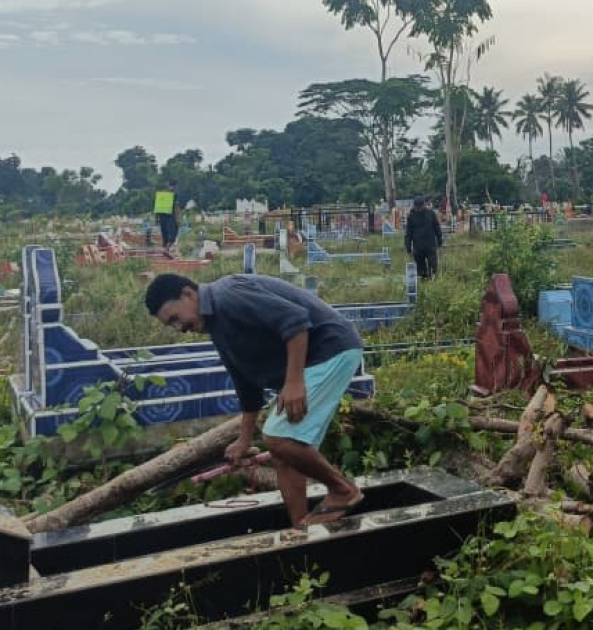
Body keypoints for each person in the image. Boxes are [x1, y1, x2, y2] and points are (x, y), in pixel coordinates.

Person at [145, 273, 366, 529]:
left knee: (279, 437)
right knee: (284, 453)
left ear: (189, 294)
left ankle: (342, 490)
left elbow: (295, 321)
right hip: (310, 361)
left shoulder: (228, 296)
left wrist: (293, 382)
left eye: (175, 318)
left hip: (330, 349)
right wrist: (244, 439)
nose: (179, 328)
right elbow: (245, 383)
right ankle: (300, 528)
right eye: (170, 325)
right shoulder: (217, 325)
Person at [405, 196, 444, 280]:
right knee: (421, 270)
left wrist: (440, 240)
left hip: (430, 245)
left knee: (433, 266)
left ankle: (434, 281)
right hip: (418, 247)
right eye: (417, 206)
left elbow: (437, 227)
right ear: (414, 205)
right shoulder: (411, 216)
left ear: (424, 204)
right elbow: (408, 233)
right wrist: (408, 246)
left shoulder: (431, 214)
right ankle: (424, 281)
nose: (418, 208)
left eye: (420, 205)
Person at [154, 187, 178, 252]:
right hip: (168, 218)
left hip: (165, 217)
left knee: (166, 234)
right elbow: (176, 208)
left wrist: (156, 218)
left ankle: (166, 247)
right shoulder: (170, 197)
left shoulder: (162, 197)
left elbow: (157, 208)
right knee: (170, 233)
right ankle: (166, 247)